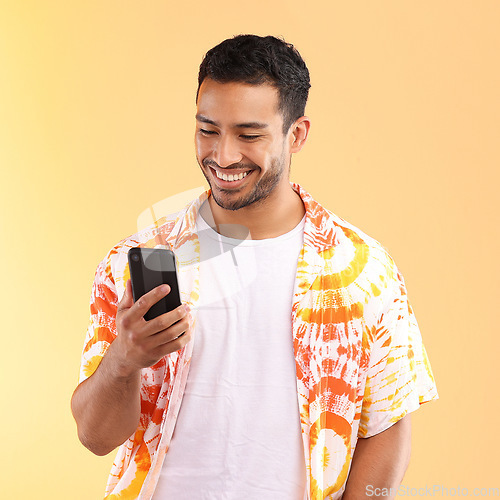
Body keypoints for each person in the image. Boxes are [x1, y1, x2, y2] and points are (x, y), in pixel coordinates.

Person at [71, 34, 438, 500]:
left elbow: (386, 428)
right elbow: (95, 437)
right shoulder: (137, 261)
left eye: (249, 135)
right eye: (208, 130)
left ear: (297, 134)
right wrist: (124, 359)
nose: (223, 156)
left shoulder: (362, 270)